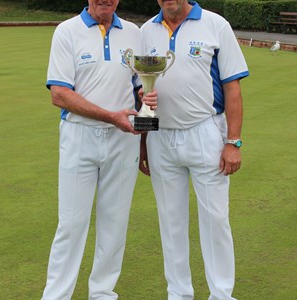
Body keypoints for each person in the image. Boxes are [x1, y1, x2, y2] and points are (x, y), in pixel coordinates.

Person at [41, 1, 157, 299]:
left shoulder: (133, 32)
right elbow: (60, 94)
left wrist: (144, 92)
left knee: (115, 222)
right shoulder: (67, 31)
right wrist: (110, 116)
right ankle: (56, 295)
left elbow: (138, 84)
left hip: (124, 139)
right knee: (71, 223)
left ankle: (103, 293)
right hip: (80, 136)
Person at [139, 1, 249, 300]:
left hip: (206, 132)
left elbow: (232, 88)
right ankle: (179, 294)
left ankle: (222, 294)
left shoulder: (215, 25)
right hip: (161, 136)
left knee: (215, 219)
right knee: (170, 220)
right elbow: (143, 90)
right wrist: (143, 142)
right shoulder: (147, 30)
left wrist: (233, 141)